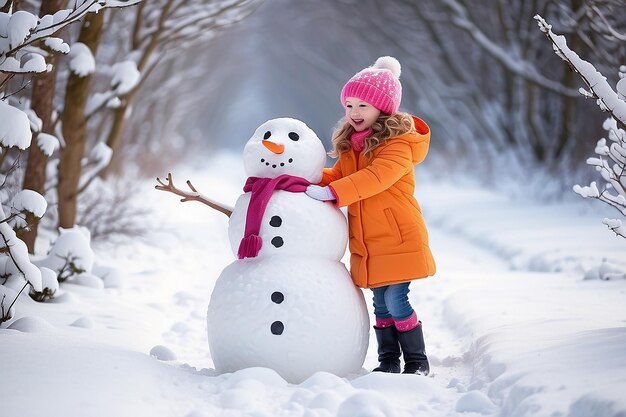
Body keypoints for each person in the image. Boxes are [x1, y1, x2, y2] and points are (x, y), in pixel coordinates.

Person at [305, 56, 436, 375]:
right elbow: (338, 175)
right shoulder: (352, 145)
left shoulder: (397, 145)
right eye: (349, 105)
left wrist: (333, 194)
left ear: (383, 107)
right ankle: (388, 360)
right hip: (369, 240)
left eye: (362, 105)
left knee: (397, 302)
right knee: (380, 305)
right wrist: (302, 177)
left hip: (397, 235)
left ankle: (417, 362)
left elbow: (376, 177)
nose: (354, 113)